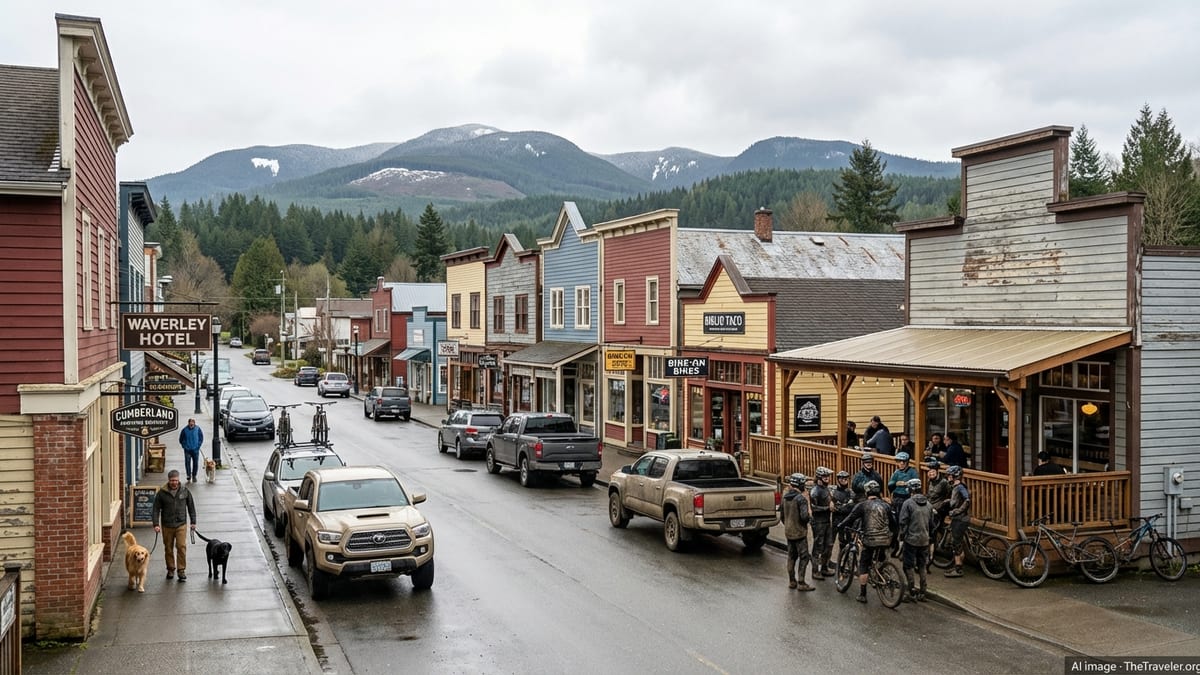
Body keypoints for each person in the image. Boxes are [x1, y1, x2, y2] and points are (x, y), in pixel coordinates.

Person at [837, 480, 892, 604]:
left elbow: (851, 517)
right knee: (881, 557)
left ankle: (862, 594)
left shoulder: (863, 505)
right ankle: (882, 573)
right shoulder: (886, 505)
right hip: (885, 539)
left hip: (870, 539)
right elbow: (893, 522)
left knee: (863, 565)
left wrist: (840, 525)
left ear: (867, 492)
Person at [151, 469, 197, 581]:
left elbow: (191, 507)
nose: (174, 483)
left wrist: (193, 522)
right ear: (168, 480)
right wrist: (156, 524)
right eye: (172, 480)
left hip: (181, 523)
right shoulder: (162, 493)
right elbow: (156, 509)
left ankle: (181, 570)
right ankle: (171, 569)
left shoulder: (184, 491)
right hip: (167, 525)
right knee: (168, 548)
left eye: (176, 480)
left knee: (181, 547)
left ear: (179, 479)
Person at [898, 477, 933, 602]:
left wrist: (902, 537)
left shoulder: (908, 503)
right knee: (922, 565)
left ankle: (911, 591)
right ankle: (923, 592)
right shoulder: (928, 504)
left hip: (911, 540)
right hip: (924, 540)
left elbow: (903, 522)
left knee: (908, 566)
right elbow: (931, 523)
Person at [781, 473, 814, 591]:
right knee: (804, 557)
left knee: (791, 556)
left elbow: (782, 516)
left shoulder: (785, 497)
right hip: (799, 532)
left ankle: (792, 581)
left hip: (789, 531)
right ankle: (801, 582)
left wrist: (788, 525)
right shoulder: (801, 499)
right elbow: (804, 517)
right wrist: (810, 515)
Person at [886, 452, 919, 551]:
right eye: (899, 461)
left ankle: (904, 542)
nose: (901, 464)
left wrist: (907, 484)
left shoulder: (912, 472)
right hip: (896, 498)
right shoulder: (896, 472)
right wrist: (896, 483)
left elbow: (917, 484)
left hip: (907, 498)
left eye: (903, 462)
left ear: (907, 462)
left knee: (904, 521)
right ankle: (894, 542)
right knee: (894, 520)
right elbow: (890, 484)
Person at [943, 465, 971, 578]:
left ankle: (958, 568)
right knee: (957, 542)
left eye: (950, 475)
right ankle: (956, 565)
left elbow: (967, 499)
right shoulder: (955, 487)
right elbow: (956, 499)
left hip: (960, 518)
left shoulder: (960, 487)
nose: (948, 478)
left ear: (955, 476)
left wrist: (957, 511)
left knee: (956, 543)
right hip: (958, 518)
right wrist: (948, 501)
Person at [809, 467, 835, 579]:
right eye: (825, 477)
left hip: (826, 521)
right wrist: (827, 509)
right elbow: (813, 508)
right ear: (819, 478)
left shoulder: (826, 489)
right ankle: (815, 571)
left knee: (828, 545)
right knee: (818, 546)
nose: (828, 479)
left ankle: (824, 567)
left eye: (828, 477)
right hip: (818, 522)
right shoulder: (815, 491)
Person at [925, 458, 952, 565]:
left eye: (933, 471)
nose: (931, 473)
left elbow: (950, 495)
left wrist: (944, 504)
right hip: (930, 508)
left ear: (937, 471)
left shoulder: (944, 482)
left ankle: (931, 557)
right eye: (930, 471)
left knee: (934, 530)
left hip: (939, 510)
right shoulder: (930, 481)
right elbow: (929, 495)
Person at [832, 470, 855, 550]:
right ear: (838, 479)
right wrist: (844, 506)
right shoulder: (833, 492)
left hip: (847, 520)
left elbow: (851, 506)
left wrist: (841, 507)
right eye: (841, 478)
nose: (844, 480)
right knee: (832, 541)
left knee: (847, 540)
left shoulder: (851, 492)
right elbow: (834, 508)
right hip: (836, 520)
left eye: (846, 478)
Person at [178, 418, 204, 483]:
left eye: (193, 423)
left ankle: (194, 475)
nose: (191, 424)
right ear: (188, 423)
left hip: (195, 450)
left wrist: (198, 446)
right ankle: (188, 475)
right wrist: (184, 446)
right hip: (187, 450)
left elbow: (201, 438)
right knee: (187, 463)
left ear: (194, 423)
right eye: (190, 423)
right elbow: (181, 439)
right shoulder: (184, 430)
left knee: (195, 463)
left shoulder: (198, 429)